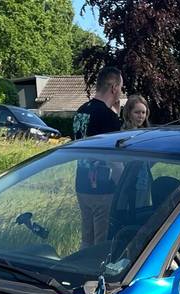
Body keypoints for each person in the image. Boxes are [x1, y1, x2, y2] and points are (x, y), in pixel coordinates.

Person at [73, 67, 125, 247]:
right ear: (114, 88)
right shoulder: (107, 116)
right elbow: (114, 158)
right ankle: (93, 272)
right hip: (102, 187)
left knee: (86, 236)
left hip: (81, 183)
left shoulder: (81, 110)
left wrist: (114, 115)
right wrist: (123, 186)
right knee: (101, 241)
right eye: (121, 88)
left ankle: (78, 267)